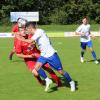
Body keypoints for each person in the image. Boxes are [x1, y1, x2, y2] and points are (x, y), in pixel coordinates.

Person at [18, 22, 76, 92]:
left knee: (61, 72)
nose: (27, 31)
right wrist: (32, 46)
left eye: (27, 29)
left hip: (51, 55)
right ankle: (47, 80)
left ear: (30, 28)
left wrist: (20, 38)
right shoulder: (36, 34)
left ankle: (71, 82)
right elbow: (35, 42)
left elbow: (30, 40)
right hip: (43, 55)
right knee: (37, 67)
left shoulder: (39, 31)